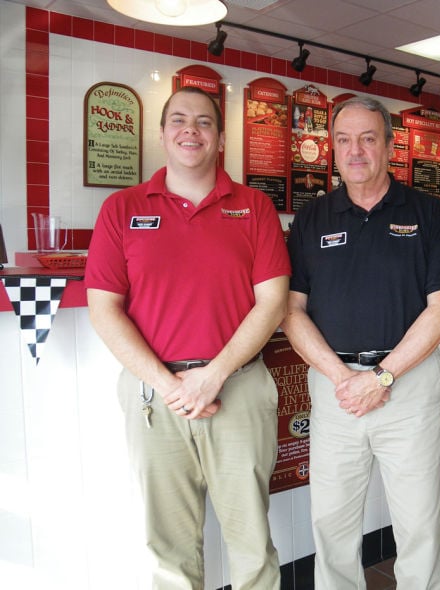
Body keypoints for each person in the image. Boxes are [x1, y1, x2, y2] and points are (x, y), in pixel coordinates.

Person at [85, 86, 290, 590]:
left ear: (220, 138)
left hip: (238, 389)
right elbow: (103, 308)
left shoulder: (254, 206)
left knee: (251, 544)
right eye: (178, 120)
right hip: (155, 397)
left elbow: (273, 302)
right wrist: (171, 385)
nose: (190, 130)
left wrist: (211, 377)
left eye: (203, 122)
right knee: (167, 548)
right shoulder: (121, 208)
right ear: (161, 134)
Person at [281, 96, 440, 590]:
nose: (354, 150)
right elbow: (290, 313)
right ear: (332, 149)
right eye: (343, 140)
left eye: (367, 138)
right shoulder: (312, 219)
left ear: (388, 144)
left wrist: (381, 377)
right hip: (335, 389)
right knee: (332, 525)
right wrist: (347, 381)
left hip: (409, 387)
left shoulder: (427, 212)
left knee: (418, 524)